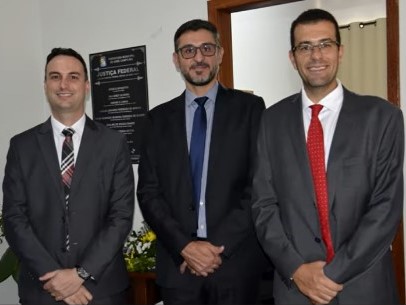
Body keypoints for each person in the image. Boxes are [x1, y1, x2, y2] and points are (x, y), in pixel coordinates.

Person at [251, 8, 404, 305]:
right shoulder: (271, 121)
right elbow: (263, 205)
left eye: (325, 45)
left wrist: (333, 274)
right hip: (295, 289)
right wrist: (297, 270)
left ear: (340, 51)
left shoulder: (382, 117)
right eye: (305, 47)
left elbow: (386, 208)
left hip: (365, 287)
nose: (316, 56)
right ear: (292, 57)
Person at [137, 19, 268, 304]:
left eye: (207, 48)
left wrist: (214, 248)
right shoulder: (155, 121)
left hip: (234, 265)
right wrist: (185, 247)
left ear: (220, 54)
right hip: (179, 268)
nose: (198, 57)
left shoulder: (250, 110)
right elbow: (148, 193)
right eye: (188, 51)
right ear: (176, 60)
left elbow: (259, 186)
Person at [2, 48, 135, 305]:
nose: (63, 84)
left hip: (101, 290)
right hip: (42, 291)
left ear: (86, 86)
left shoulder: (113, 143)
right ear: (45, 85)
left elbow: (120, 217)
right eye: (55, 76)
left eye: (73, 76)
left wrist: (80, 274)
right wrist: (54, 277)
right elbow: (14, 218)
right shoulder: (22, 146)